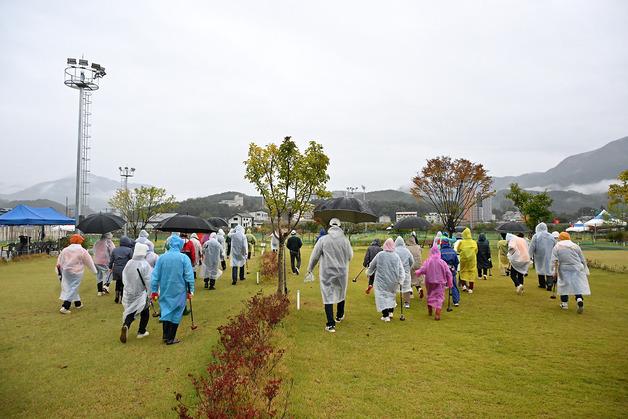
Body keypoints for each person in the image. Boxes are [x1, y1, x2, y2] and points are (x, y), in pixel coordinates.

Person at [306, 218, 353, 332]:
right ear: (340, 226)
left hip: (327, 271)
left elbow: (315, 256)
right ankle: (339, 315)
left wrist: (310, 269)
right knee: (341, 291)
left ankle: (330, 324)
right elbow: (350, 256)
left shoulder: (323, 240)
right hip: (341, 271)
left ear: (330, 226)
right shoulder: (345, 240)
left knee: (328, 295)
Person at [150, 235, 195, 345]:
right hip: (179, 289)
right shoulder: (183, 258)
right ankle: (171, 338)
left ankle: (165, 336)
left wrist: (154, 291)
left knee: (166, 309)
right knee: (176, 312)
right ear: (179, 245)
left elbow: (155, 276)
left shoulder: (161, 258)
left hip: (165, 288)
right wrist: (191, 290)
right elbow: (189, 276)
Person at [120, 243, 152, 343]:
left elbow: (124, 276)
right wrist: (151, 293)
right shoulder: (145, 264)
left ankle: (126, 325)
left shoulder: (129, 263)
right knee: (145, 311)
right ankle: (141, 331)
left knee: (131, 310)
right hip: (140, 292)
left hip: (129, 291)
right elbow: (148, 280)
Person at [57, 234, 97, 314]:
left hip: (66, 271)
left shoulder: (65, 250)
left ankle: (78, 303)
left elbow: (60, 261)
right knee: (73, 287)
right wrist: (94, 271)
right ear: (79, 241)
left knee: (71, 286)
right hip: (77, 272)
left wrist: (59, 270)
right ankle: (65, 306)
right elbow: (89, 261)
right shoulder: (82, 250)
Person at [551, 232, 590, 313]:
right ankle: (579, 299)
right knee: (577, 284)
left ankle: (564, 303)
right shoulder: (575, 246)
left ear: (560, 238)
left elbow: (554, 260)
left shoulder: (557, 246)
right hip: (577, 267)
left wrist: (554, 271)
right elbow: (582, 258)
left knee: (564, 285)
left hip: (564, 268)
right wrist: (585, 268)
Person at [366, 238, 404, 322]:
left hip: (381, 280)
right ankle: (390, 312)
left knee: (381, 296)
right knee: (391, 295)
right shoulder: (396, 256)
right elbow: (401, 269)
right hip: (393, 280)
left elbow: (372, 265)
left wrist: (369, 272)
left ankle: (385, 315)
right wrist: (401, 279)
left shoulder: (380, 255)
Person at [416, 246, 453, 320]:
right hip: (440, 282)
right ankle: (437, 314)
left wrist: (418, 272)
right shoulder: (442, 262)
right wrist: (450, 282)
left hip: (429, 281)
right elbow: (448, 273)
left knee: (430, 295)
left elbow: (423, 269)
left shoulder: (428, 261)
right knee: (439, 297)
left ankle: (430, 310)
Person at [529, 222, 557, 291]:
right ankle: (549, 284)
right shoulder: (551, 236)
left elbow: (532, 246)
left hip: (539, 255)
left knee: (540, 268)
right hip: (550, 254)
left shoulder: (536, 236)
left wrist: (529, 255)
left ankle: (542, 284)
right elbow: (556, 246)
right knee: (549, 269)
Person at [109, 236, 135, 304]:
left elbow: (111, 260)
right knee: (124, 283)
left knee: (118, 282)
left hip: (116, 269)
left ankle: (117, 297)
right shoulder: (129, 250)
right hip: (125, 269)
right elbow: (132, 260)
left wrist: (110, 267)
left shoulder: (115, 250)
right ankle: (122, 297)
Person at [394, 236, 415, 308]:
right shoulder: (407, 250)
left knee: (393, 287)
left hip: (396, 272)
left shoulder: (394, 250)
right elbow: (412, 261)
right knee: (406, 288)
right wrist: (409, 268)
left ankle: (393, 302)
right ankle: (407, 303)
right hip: (405, 272)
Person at [440, 237, 461, 307]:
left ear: (442, 243)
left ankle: (439, 300)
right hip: (451, 270)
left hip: (443, 271)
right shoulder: (453, 251)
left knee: (441, 286)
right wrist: (454, 268)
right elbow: (456, 262)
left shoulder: (440, 251)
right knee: (453, 285)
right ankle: (456, 301)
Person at [457, 228, 478, 294]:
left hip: (463, 259)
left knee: (463, 271)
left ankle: (464, 286)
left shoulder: (461, 242)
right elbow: (476, 251)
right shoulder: (474, 242)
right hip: (472, 260)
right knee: (472, 272)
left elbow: (458, 250)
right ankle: (471, 288)